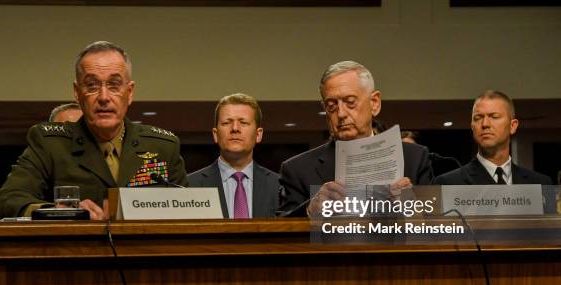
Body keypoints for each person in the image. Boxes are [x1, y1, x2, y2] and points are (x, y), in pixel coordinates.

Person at [0, 41, 188, 220]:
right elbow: (6, 201)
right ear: (77, 93)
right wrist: (62, 213)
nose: (103, 97)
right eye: (92, 85)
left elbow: (190, 212)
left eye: (114, 85)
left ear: (129, 93)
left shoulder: (163, 146)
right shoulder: (50, 144)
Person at [278, 61, 433, 216]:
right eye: (331, 105)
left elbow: (441, 228)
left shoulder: (414, 159)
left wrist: (415, 207)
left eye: (350, 102)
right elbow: (279, 233)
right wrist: (310, 210)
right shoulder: (298, 170)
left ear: (374, 103)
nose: (340, 114)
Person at [189, 93, 279, 218]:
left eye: (243, 123)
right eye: (227, 123)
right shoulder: (190, 186)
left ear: (258, 134)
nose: (235, 128)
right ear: (215, 134)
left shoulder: (279, 186)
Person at [434, 90, 552, 185]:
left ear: (512, 126)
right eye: (478, 118)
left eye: (494, 117)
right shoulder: (448, 184)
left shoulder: (540, 184)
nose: (485, 124)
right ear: (472, 127)